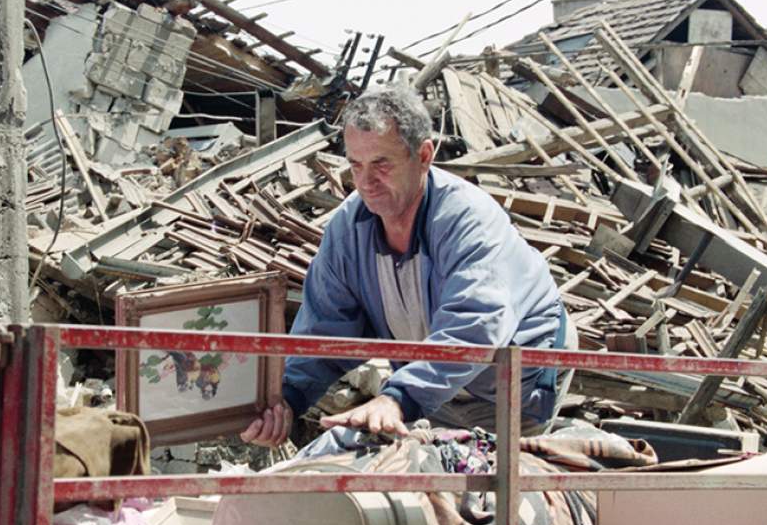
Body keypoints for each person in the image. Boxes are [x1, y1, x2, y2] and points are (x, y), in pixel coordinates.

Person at [241, 83, 569, 447]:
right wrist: (287, 399)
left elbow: (475, 324)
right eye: (355, 165)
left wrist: (399, 398)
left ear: (424, 155)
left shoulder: (466, 219)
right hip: (435, 380)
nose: (365, 183)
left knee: (491, 479)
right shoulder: (349, 228)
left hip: (513, 382)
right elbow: (325, 328)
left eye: (381, 164)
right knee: (424, 466)